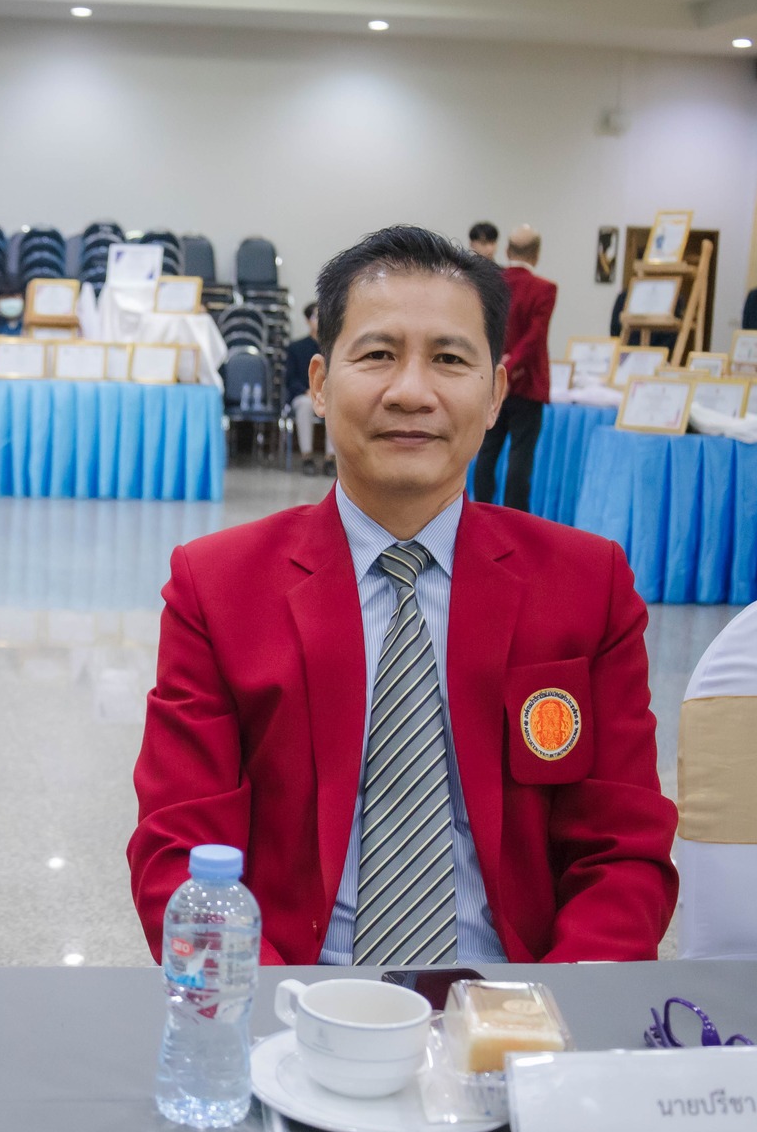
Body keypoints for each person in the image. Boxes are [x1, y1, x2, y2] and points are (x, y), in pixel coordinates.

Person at [129, 224, 678, 966]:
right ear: (320, 385)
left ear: (495, 393)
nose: (412, 391)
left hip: (517, 1000)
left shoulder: (587, 587)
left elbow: (622, 853)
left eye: (450, 359)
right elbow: (179, 851)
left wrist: (546, 1024)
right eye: (378, 354)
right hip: (295, 1000)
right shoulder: (218, 587)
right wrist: (270, 1024)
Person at [474, 224, 555, 513]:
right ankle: (514, 517)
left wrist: (499, 366)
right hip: (528, 385)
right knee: (521, 457)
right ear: (537, 254)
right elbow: (535, 336)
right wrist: (514, 365)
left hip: (494, 381)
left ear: (507, 251)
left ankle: (479, 511)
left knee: (487, 451)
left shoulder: (490, 285)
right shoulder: (545, 289)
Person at [286, 301, 323, 472]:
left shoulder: (334, 347)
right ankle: (307, 457)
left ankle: (331, 458)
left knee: (335, 405)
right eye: (316, 316)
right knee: (305, 405)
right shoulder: (296, 347)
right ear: (308, 321)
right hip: (303, 394)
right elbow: (290, 378)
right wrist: (306, 391)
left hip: (327, 394)